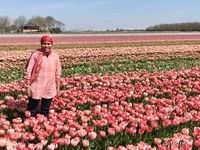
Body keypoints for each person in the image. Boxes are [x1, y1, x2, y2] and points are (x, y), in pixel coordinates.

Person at [25, 35, 61, 117]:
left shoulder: (55, 56)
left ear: (52, 44)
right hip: (36, 85)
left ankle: (44, 127)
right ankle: (30, 126)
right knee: (32, 110)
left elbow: (58, 73)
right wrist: (28, 86)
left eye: (48, 44)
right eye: (44, 43)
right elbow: (29, 71)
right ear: (41, 44)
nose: (46, 46)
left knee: (45, 111)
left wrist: (58, 88)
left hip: (50, 86)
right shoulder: (35, 55)